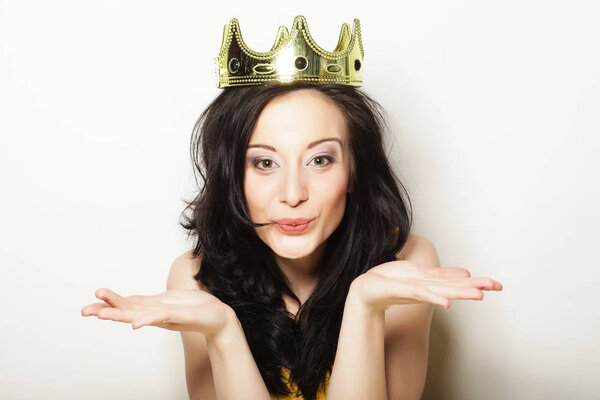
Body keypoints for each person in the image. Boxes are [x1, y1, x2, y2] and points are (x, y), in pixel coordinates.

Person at [81, 16, 503, 400]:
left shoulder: (409, 264)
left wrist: (364, 305)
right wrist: (223, 332)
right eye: (265, 163)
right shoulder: (195, 279)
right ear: (233, 174)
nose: (293, 193)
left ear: (354, 170)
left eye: (320, 160)